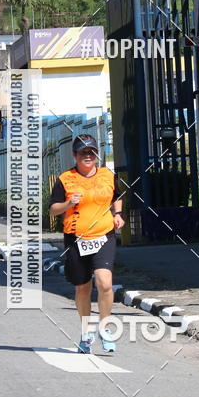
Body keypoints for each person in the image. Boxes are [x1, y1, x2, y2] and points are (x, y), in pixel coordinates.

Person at [49, 134, 124, 354]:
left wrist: (117, 214)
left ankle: (105, 328)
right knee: (82, 288)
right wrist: (67, 203)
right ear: (75, 155)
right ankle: (85, 332)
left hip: (103, 235)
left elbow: (117, 195)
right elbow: (53, 209)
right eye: (83, 153)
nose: (88, 156)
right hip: (76, 238)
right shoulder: (65, 179)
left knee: (105, 283)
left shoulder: (107, 175)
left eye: (91, 152)